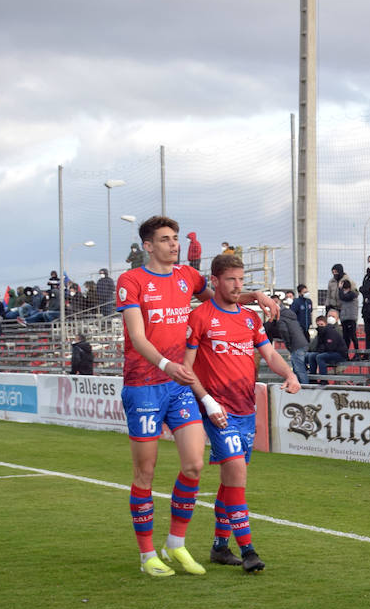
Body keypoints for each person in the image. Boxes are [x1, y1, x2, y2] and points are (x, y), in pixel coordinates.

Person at [116, 215, 275, 578]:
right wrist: (166, 364)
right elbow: (137, 337)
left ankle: (176, 544)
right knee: (145, 472)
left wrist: (255, 296)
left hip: (179, 386)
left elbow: (222, 298)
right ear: (148, 246)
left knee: (194, 465)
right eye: (165, 239)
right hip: (144, 384)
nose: (174, 244)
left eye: (175, 238)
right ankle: (147, 555)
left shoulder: (187, 276)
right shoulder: (131, 280)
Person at [185, 253, 300, 574]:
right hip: (218, 411)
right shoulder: (200, 317)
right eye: (231, 280)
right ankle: (248, 550)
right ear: (215, 281)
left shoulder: (250, 318)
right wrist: (208, 402)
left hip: (245, 408)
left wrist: (289, 374)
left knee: (231, 481)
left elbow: (270, 355)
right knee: (236, 474)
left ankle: (220, 546)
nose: (238, 286)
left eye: (241, 280)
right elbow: (186, 368)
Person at [266, 299, 310, 385]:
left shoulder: (281, 319)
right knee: (299, 368)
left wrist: (288, 345)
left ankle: (304, 387)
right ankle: (302, 385)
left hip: (295, 345)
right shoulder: (290, 315)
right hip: (302, 342)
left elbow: (284, 332)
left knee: (299, 369)